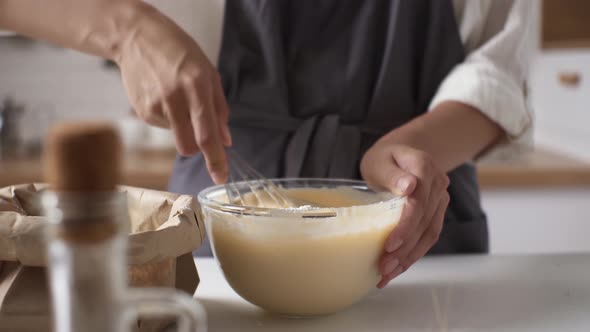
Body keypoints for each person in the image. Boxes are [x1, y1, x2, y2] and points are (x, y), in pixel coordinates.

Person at [0, 0, 534, 288]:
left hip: (416, 223)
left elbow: (498, 70)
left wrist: (419, 148)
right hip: (220, 229)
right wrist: (127, 29)